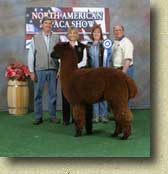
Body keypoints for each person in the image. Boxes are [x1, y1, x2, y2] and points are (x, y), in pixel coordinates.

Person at [27, 16, 60, 125]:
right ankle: (38, 116)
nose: (48, 25)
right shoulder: (35, 38)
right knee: (37, 94)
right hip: (39, 69)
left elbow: (61, 55)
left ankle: (52, 116)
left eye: (50, 23)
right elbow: (31, 55)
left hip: (53, 69)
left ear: (51, 25)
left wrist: (60, 69)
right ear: (42, 25)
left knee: (53, 94)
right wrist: (31, 71)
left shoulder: (56, 37)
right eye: (46, 23)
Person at [61, 27, 88, 125]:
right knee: (65, 96)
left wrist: (74, 67)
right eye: (70, 33)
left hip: (78, 76)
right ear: (68, 34)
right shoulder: (63, 47)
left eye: (74, 33)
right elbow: (60, 60)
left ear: (77, 35)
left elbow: (84, 61)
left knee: (77, 97)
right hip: (66, 76)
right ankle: (65, 119)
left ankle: (76, 117)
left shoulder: (82, 47)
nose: (72, 34)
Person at [87, 24, 111, 123]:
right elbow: (87, 60)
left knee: (104, 95)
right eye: (95, 32)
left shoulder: (105, 45)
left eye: (98, 32)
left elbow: (109, 59)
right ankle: (96, 116)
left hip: (103, 74)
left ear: (101, 34)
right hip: (92, 74)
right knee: (94, 95)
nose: (96, 33)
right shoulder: (88, 45)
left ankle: (104, 115)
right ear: (92, 34)